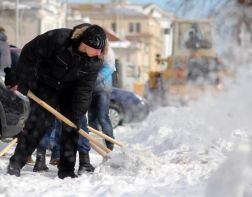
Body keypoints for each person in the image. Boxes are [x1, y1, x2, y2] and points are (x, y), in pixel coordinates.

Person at [4, 23, 108, 179]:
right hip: (46, 84)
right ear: (84, 43)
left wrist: (77, 115)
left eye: (101, 50)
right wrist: (23, 80)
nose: (99, 53)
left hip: (70, 90)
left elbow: (84, 90)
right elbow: (30, 53)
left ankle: (66, 171)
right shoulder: (58, 39)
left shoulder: (95, 61)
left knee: (72, 127)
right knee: (38, 124)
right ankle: (16, 163)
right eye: (96, 49)